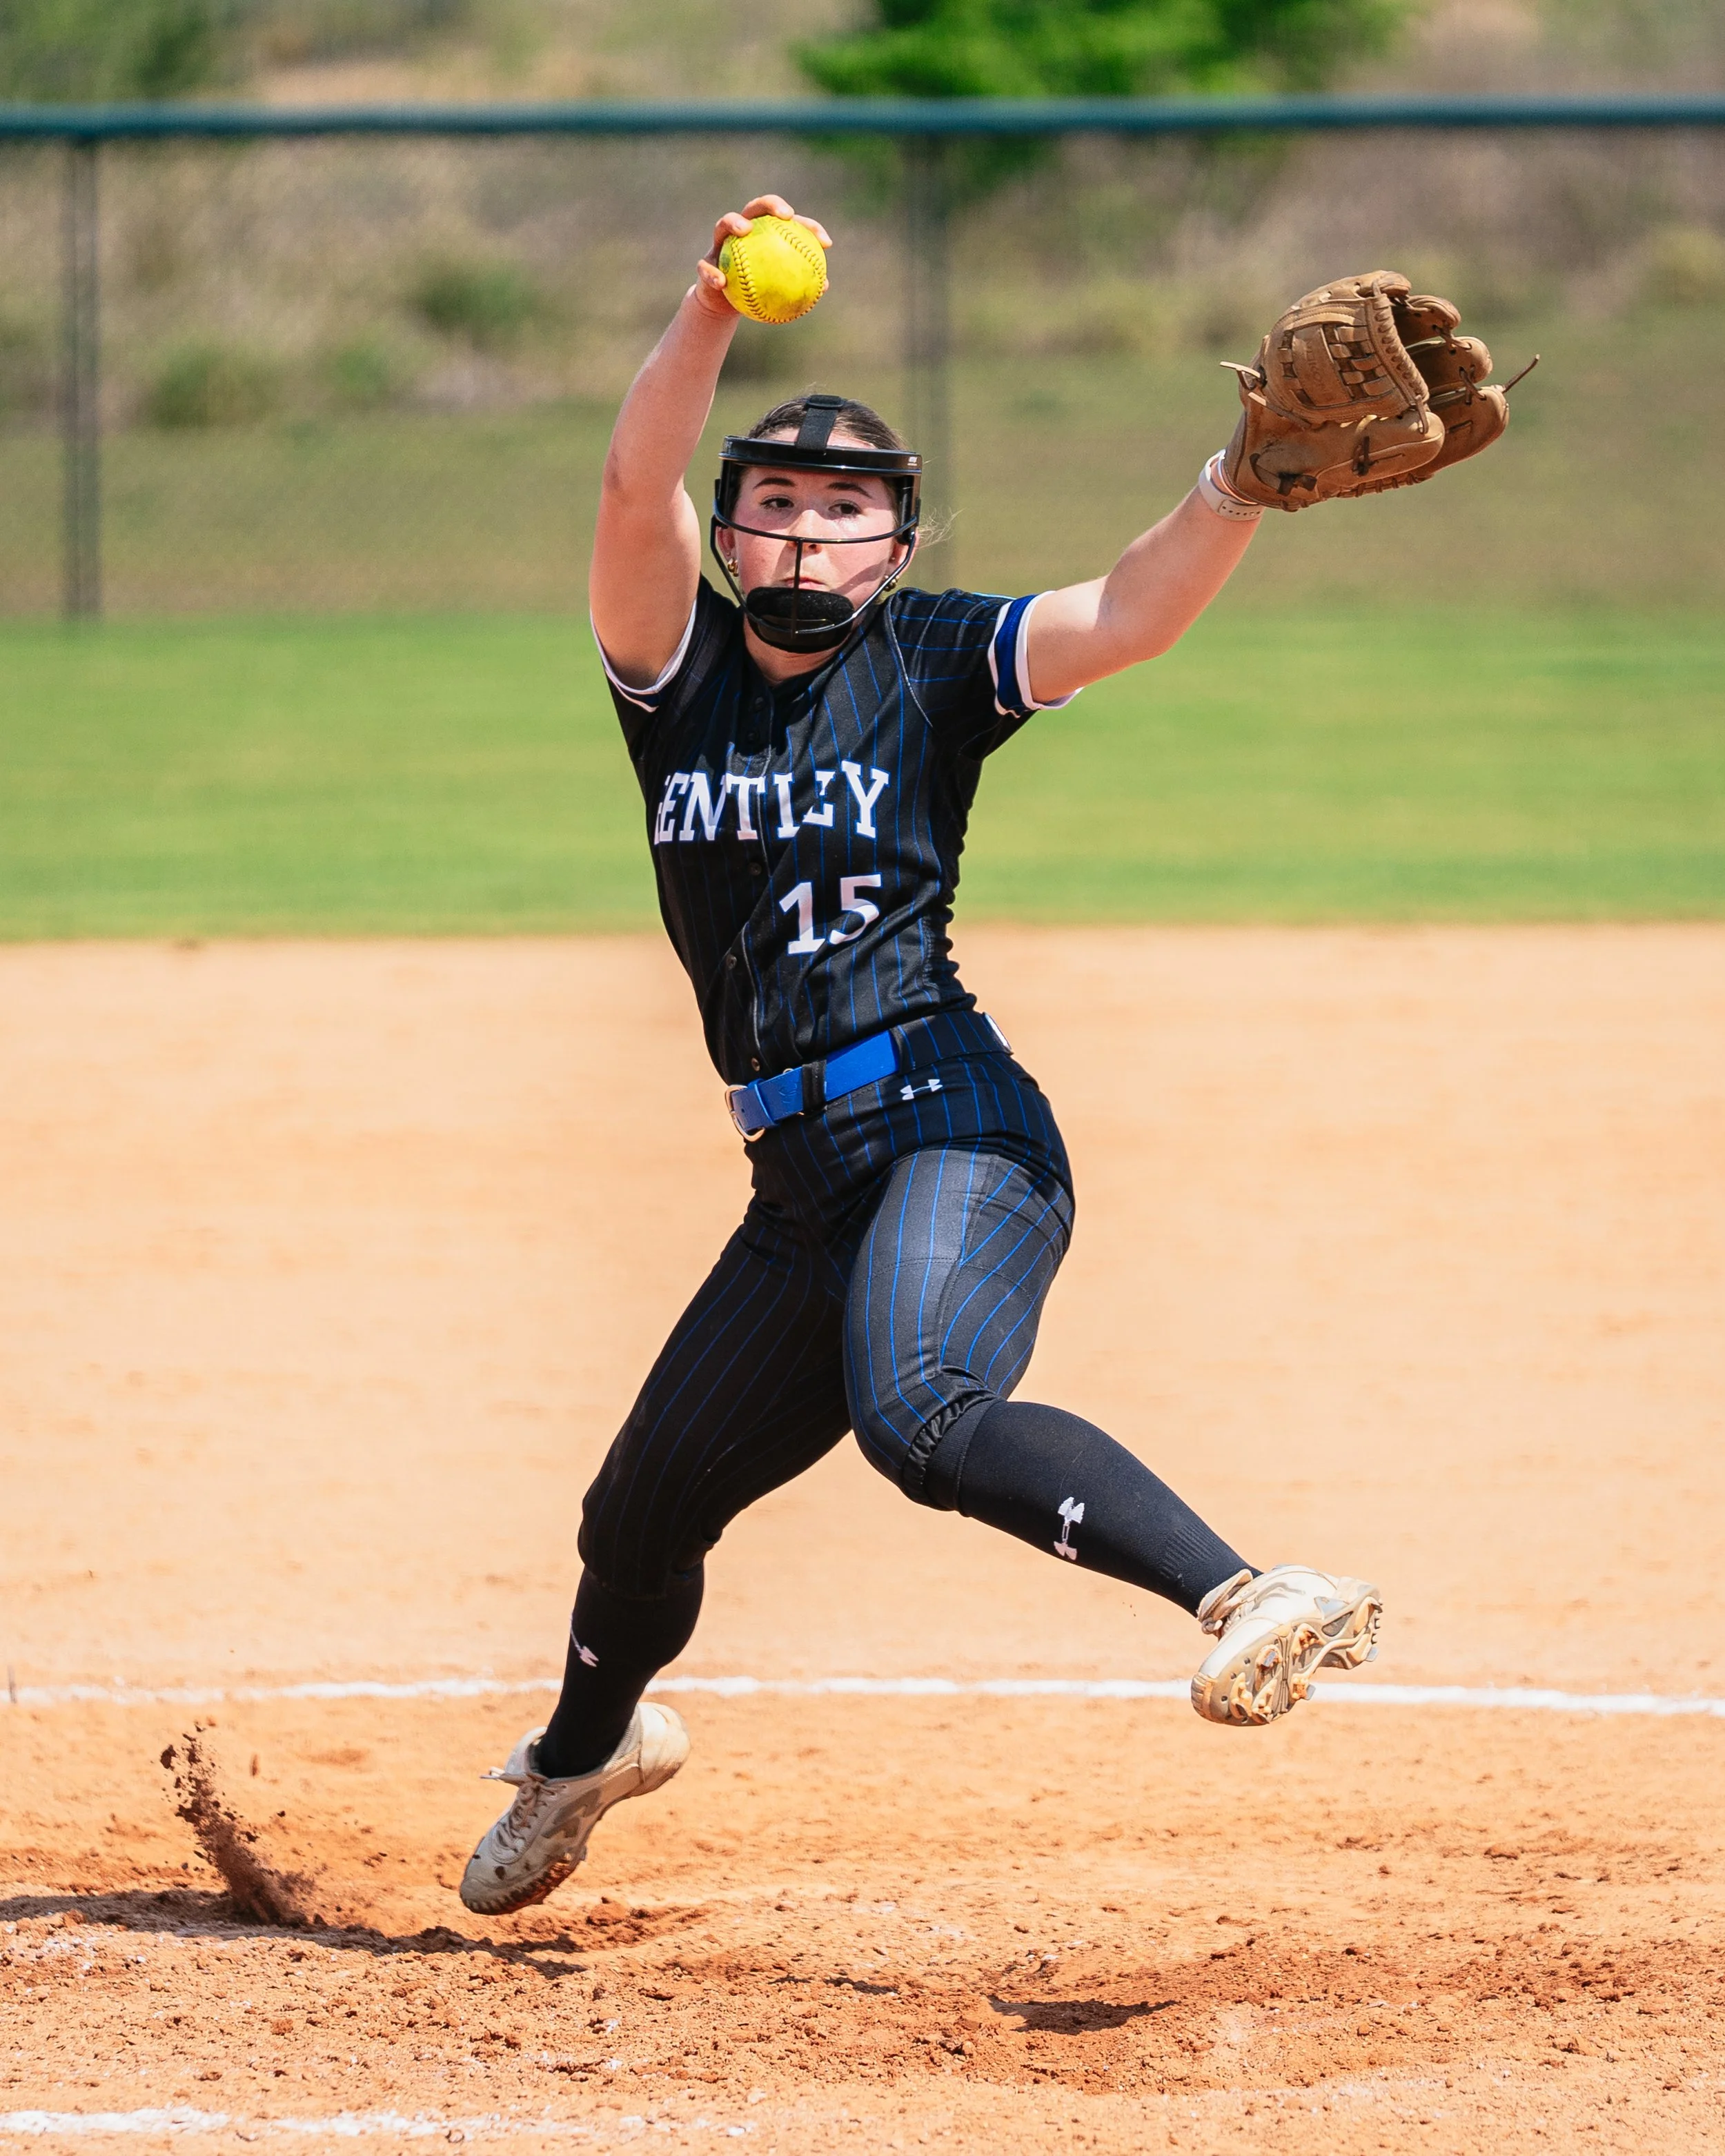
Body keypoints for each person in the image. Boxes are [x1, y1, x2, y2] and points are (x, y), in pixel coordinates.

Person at [460, 196, 1395, 1917]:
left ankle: (1252, 1592)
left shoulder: (932, 655)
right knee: (636, 1513)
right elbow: (625, 484)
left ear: (896, 541)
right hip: (794, 1182)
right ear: (730, 530)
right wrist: (704, 303)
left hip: (950, 1124)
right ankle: (585, 1748)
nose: (807, 531)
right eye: (775, 502)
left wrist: (1233, 489)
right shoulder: (668, 675)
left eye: (846, 507)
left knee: (920, 1411)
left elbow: (1121, 614)